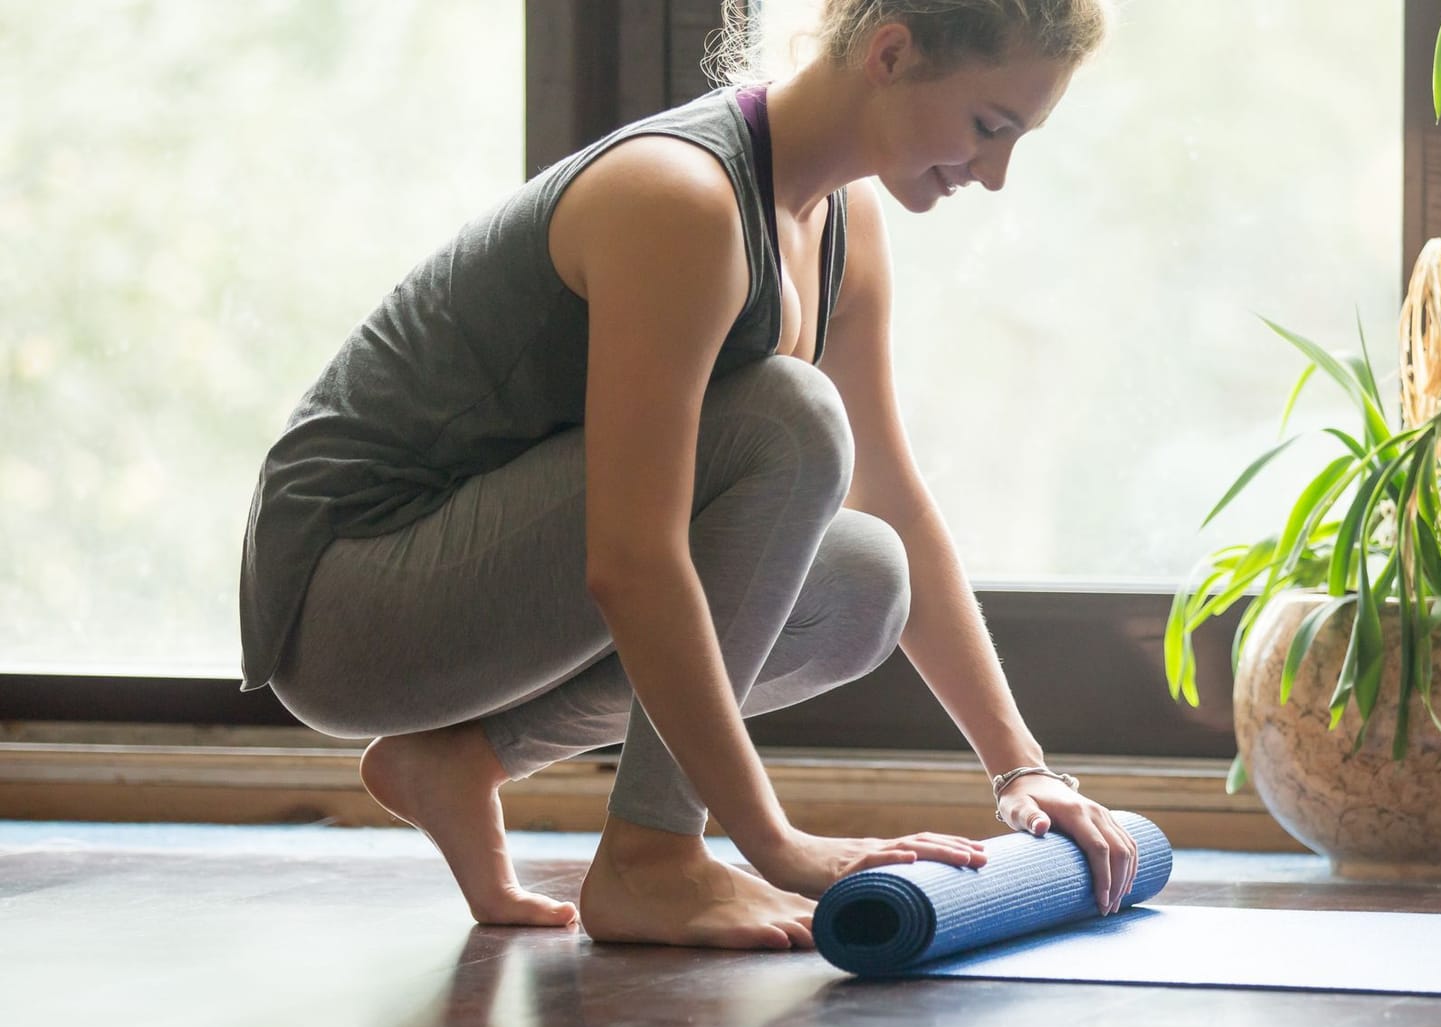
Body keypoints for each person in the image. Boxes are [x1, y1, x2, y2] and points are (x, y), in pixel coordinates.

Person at [237, 0, 1136, 950]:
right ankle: (650, 859)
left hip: (466, 588)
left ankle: (459, 762)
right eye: (989, 128)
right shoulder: (683, 199)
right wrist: (775, 843)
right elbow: (631, 559)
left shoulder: (841, 222)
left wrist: (1022, 771)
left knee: (866, 578)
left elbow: (892, 496)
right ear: (891, 53)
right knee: (788, 420)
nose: (994, 174)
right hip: (348, 599)